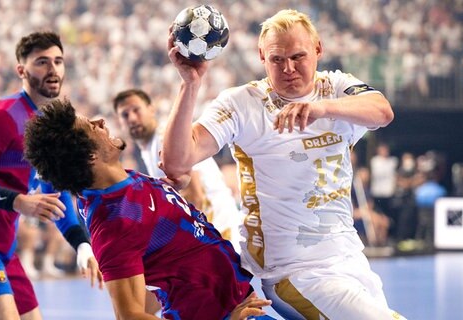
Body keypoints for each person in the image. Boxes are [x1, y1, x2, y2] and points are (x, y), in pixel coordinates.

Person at [162, 9, 406, 320]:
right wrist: (190, 84)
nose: (288, 68)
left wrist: (320, 110)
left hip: (349, 256)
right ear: (261, 56)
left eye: (298, 56)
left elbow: (383, 111)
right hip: (293, 272)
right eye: (277, 59)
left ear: (318, 50)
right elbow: (176, 161)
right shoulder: (241, 103)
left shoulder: (336, 87)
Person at [23, 99, 273, 320]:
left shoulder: (121, 182)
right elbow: (129, 314)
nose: (100, 121)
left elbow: (161, 265)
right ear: (90, 157)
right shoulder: (113, 222)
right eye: (91, 126)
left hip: (236, 302)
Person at [0, 31, 102, 320]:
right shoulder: (2, 116)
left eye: (58, 61)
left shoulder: (50, 126)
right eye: (42, 62)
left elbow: (55, 194)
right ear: (21, 70)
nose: (52, 69)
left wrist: (82, 244)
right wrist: (18, 202)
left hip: (3, 248)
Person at [113, 88, 242, 251]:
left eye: (136, 110)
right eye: (125, 114)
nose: (132, 118)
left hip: (218, 232)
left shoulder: (166, 140)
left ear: (151, 109)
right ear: (119, 121)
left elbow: (194, 194)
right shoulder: (151, 147)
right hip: (213, 233)